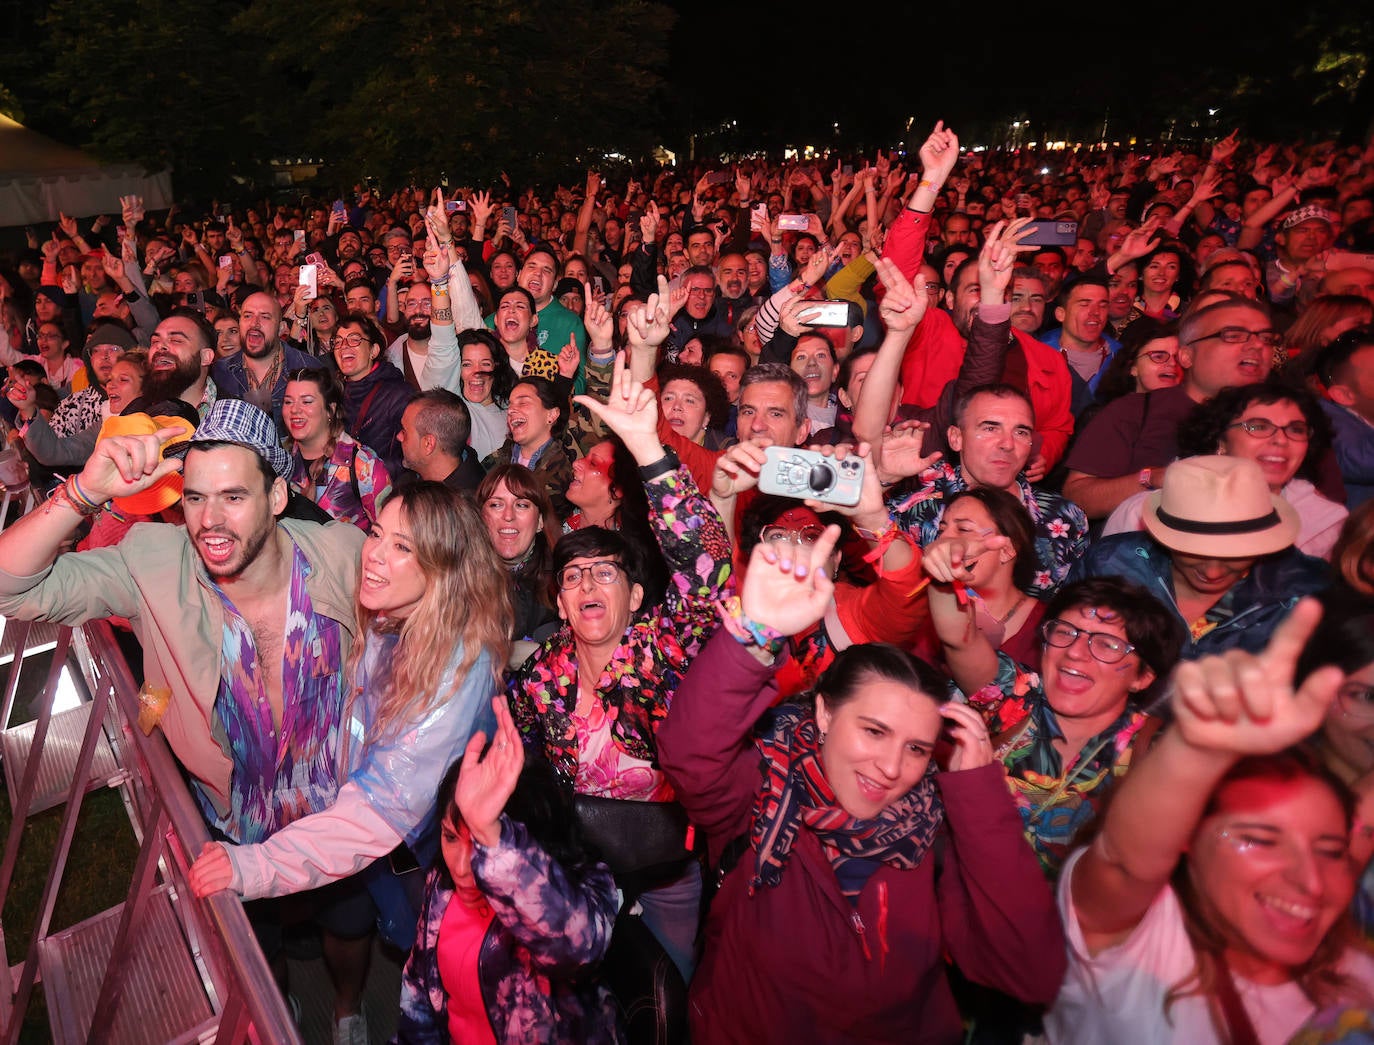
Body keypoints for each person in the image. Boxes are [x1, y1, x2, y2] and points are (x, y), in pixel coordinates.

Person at [0, 399, 370, 1037]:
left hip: (339, 815)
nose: (210, 521)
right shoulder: (154, 564)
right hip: (231, 826)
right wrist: (86, 492)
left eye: (232, 496)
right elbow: (11, 587)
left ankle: (348, 1012)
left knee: (349, 926)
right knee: (257, 953)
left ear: (278, 496)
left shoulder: (344, 553)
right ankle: (280, 1016)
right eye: (195, 498)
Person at [656, 520, 1065, 1043]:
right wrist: (755, 633)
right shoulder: (763, 791)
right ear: (825, 714)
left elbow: (1028, 968)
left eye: (916, 748)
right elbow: (689, 751)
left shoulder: (936, 834)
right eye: (874, 731)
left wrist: (980, 796)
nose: (892, 767)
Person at [189, 483, 512, 1030]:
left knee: (437, 993)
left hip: (435, 865)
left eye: (402, 548)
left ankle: (359, 1014)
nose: (375, 554)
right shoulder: (392, 617)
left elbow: (376, 815)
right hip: (380, 842)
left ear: (444, 569)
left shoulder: (456, 672)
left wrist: (252, 866)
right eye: (378, 534)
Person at [1044, 599, 1374, 1045]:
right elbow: (1124, 860)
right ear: (1186, 839)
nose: (1311, 882)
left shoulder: (1356, 975)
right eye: (1261, 840)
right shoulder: (1145, 936)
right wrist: (1197, 748)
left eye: (1330, 850)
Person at [508, 353, 735, 981]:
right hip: (573, 870)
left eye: (605, 572)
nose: (588, 584)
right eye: (574, 574)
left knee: (673, 990)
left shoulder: (662, 649)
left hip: (663, 871)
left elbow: (709, 575)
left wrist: (648, 451)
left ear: (634, 596)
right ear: (558, 600)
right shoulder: (536, 677)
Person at [394, 707, 622, 1044]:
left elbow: (580, 948)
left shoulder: (581, 887)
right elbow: (419, 990)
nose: (459, 867)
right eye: (450, 837)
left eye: (479, 845)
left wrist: (493, 838)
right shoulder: (441, 885)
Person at [1074, 455, 1329, 659]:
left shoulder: (1305, 592)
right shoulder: (1112, 564)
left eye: (1235, 556)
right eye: (1194, 552)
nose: (1213, 572)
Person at [1106, 380, 1346, 560]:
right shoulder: (1148, 512)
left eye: (1295, 429)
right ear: (1221, 441)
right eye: (1259, 426)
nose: (1281, 440)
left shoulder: (1326, 523)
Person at [283, 368, 390, 530]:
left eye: (306, 401)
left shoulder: (364, 465)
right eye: (288, 401)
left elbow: (387, 534)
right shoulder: (278, 457)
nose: (294, 410)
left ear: (331, 410)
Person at [478, 464, 561, 654]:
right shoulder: (459, 576)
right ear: (480, 517)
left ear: (540, 521)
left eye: (521, 505)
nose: (508, 516)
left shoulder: (563, 581)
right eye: (496, 504)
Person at [485, 376, 574, 519]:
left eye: (523, 403)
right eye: (510, 405)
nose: (511, 410)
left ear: (551, 415)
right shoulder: (492, 464)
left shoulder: (570, 468)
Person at [333, 313, 410, 476]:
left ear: (373, 351)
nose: (344, 346)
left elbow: (412, 459)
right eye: (338, 342)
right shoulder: (335, 394)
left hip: (389, 491)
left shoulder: (399, 395)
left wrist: (366, 465)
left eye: (354, 339)